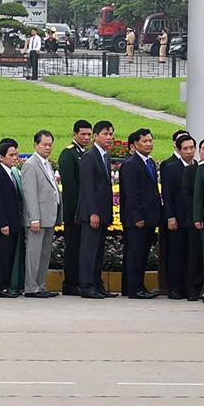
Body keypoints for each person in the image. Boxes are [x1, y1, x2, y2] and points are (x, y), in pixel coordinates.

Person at [119, 129, 161, 299]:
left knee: (142, 253)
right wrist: (138, 217)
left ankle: (135, 286)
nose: (149, 144)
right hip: (137, 219)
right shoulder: (131, 164)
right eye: (145, 141)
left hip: (149, 217)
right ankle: (134, 288)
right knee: (135, 254)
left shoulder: (149, 162)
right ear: (135, 145)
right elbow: (131, 193)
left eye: (150, 140)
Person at [78, 120, 117, 298]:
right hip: (92, 214)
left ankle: (97, 284)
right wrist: (93, 212)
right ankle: (87, 286)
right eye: (105, 134)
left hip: (102, 214)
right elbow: (87, 188)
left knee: (99, 251)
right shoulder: (90, 156)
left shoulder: (105, 156)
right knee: (89, 251)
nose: (109, 138)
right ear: (95, 136)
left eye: (111, 134)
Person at [22, 129, 62, 299]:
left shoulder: (47, 163)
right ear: (35, 145)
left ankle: (41, 285)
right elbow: (30, 194)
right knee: (34, 254)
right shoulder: (30, 165)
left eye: (50, 145)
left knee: (45, 254)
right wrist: (34, 218)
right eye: (44, 144)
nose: (47, 148)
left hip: (49, 217)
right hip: (37, 219)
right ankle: (31, 287)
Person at [160, 132, 197, 300]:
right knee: (176, 254)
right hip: (177, 217)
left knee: (191, 255)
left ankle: (189, 288)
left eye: (192, 148)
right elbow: (167, 194)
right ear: (179, 149)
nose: (189, 152)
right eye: (186, 149)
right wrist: (170, 216)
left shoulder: (198, 166)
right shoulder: (171, 167)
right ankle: (174, 288)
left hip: (193, 219)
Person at [58, 121, 92, 295]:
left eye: (89, 134)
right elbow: (70, 188)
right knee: (73, 246)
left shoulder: (84, 153)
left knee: (81, 246)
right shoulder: (68, 154)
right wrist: (75, 212)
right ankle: (70, 282)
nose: (86, 137)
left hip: (83, 210)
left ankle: (78, 280)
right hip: (74, 212)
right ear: (75, 134)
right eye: (83, 134)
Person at [0, 138, 24, 297]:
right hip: (3, 224)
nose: (15, 157)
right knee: (2, 257)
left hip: (14, 222)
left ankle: (7, 285)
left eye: (16, 154)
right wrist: (3, 224)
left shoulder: (12, 173)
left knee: (9, 256)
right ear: (1, 157)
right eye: (11, 155)